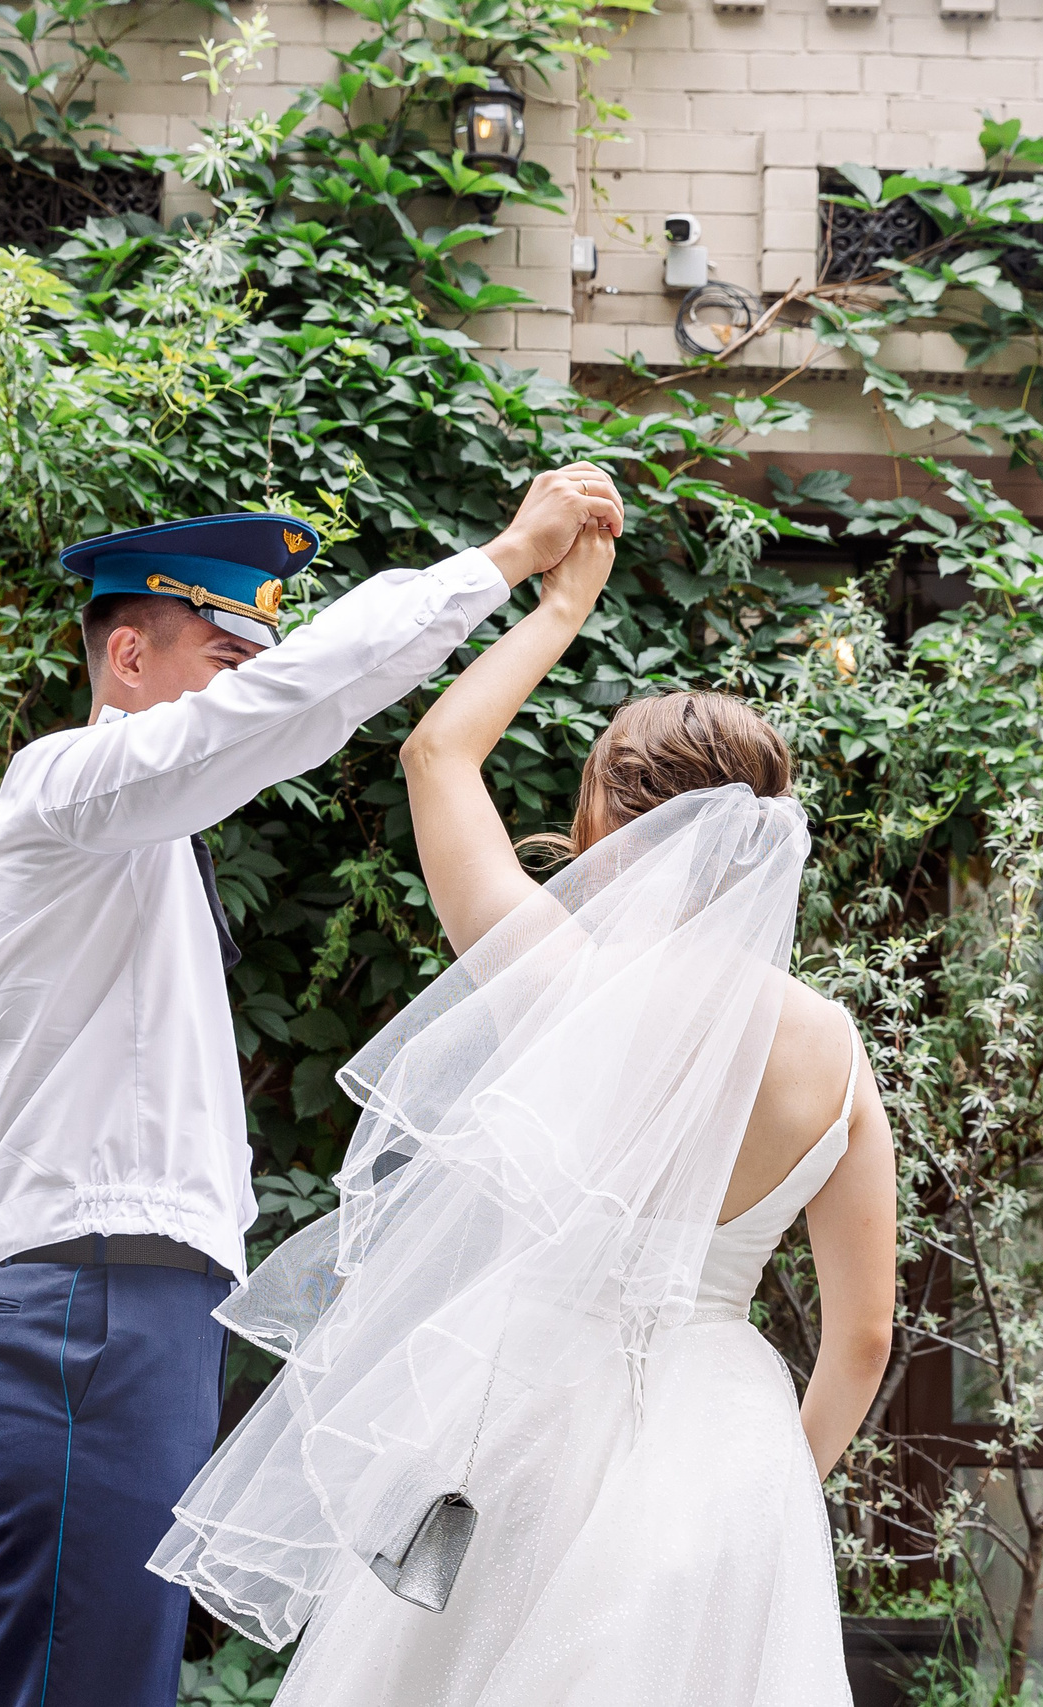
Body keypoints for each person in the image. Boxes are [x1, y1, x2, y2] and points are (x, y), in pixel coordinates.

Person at [151, 522, 898, 1704]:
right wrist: (765, 1496)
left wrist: (557, 607)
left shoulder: (561, 982)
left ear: (617, 817)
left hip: (532, 1430)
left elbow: (440, 755)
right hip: (731, 1443)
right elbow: (861, 1337)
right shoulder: (836, 1052)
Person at [0, 468, 627, 1707]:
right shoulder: (61, 788)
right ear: (128, 653)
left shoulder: (137, 836)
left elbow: (290, 709)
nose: (249, 676)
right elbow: (289, 708)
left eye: (259, 651)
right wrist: (505, 561)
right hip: (86, 1311)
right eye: (223, 649)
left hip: (123, 1315)